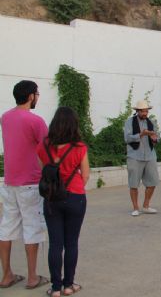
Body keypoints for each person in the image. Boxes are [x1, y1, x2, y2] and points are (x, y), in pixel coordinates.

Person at [0, 80, 49, 290]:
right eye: (37, 94)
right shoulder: (36, 121)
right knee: (32, 228)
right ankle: (31, 277)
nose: (37, 97)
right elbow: (47, 151)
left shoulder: (5, 117)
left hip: (9, 181)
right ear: (31, 96)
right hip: (30, 182)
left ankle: (7, 275)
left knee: (6, 229)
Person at [36, 107, 90, 297]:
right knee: (71, 243)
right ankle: (69, 285)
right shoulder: (79, 147)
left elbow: (45, 172)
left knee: (55, 244)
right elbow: (85, 176)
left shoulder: (43, 146)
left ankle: (56, 287)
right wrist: (73, 187)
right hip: (75, 196)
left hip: (52, 199)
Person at [124, 100, 159, 216]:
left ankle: (146, 206)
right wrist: (141, 135)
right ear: (137, 111)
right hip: (134, 156)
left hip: (150, 155)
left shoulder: (151, 122)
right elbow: (127, 138)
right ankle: (135, 208)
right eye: (143, 111)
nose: (145, 113)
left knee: (153, 181)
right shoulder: (129, 122)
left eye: (146, 111)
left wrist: (154, 138)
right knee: (133, 183)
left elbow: (156, 138)